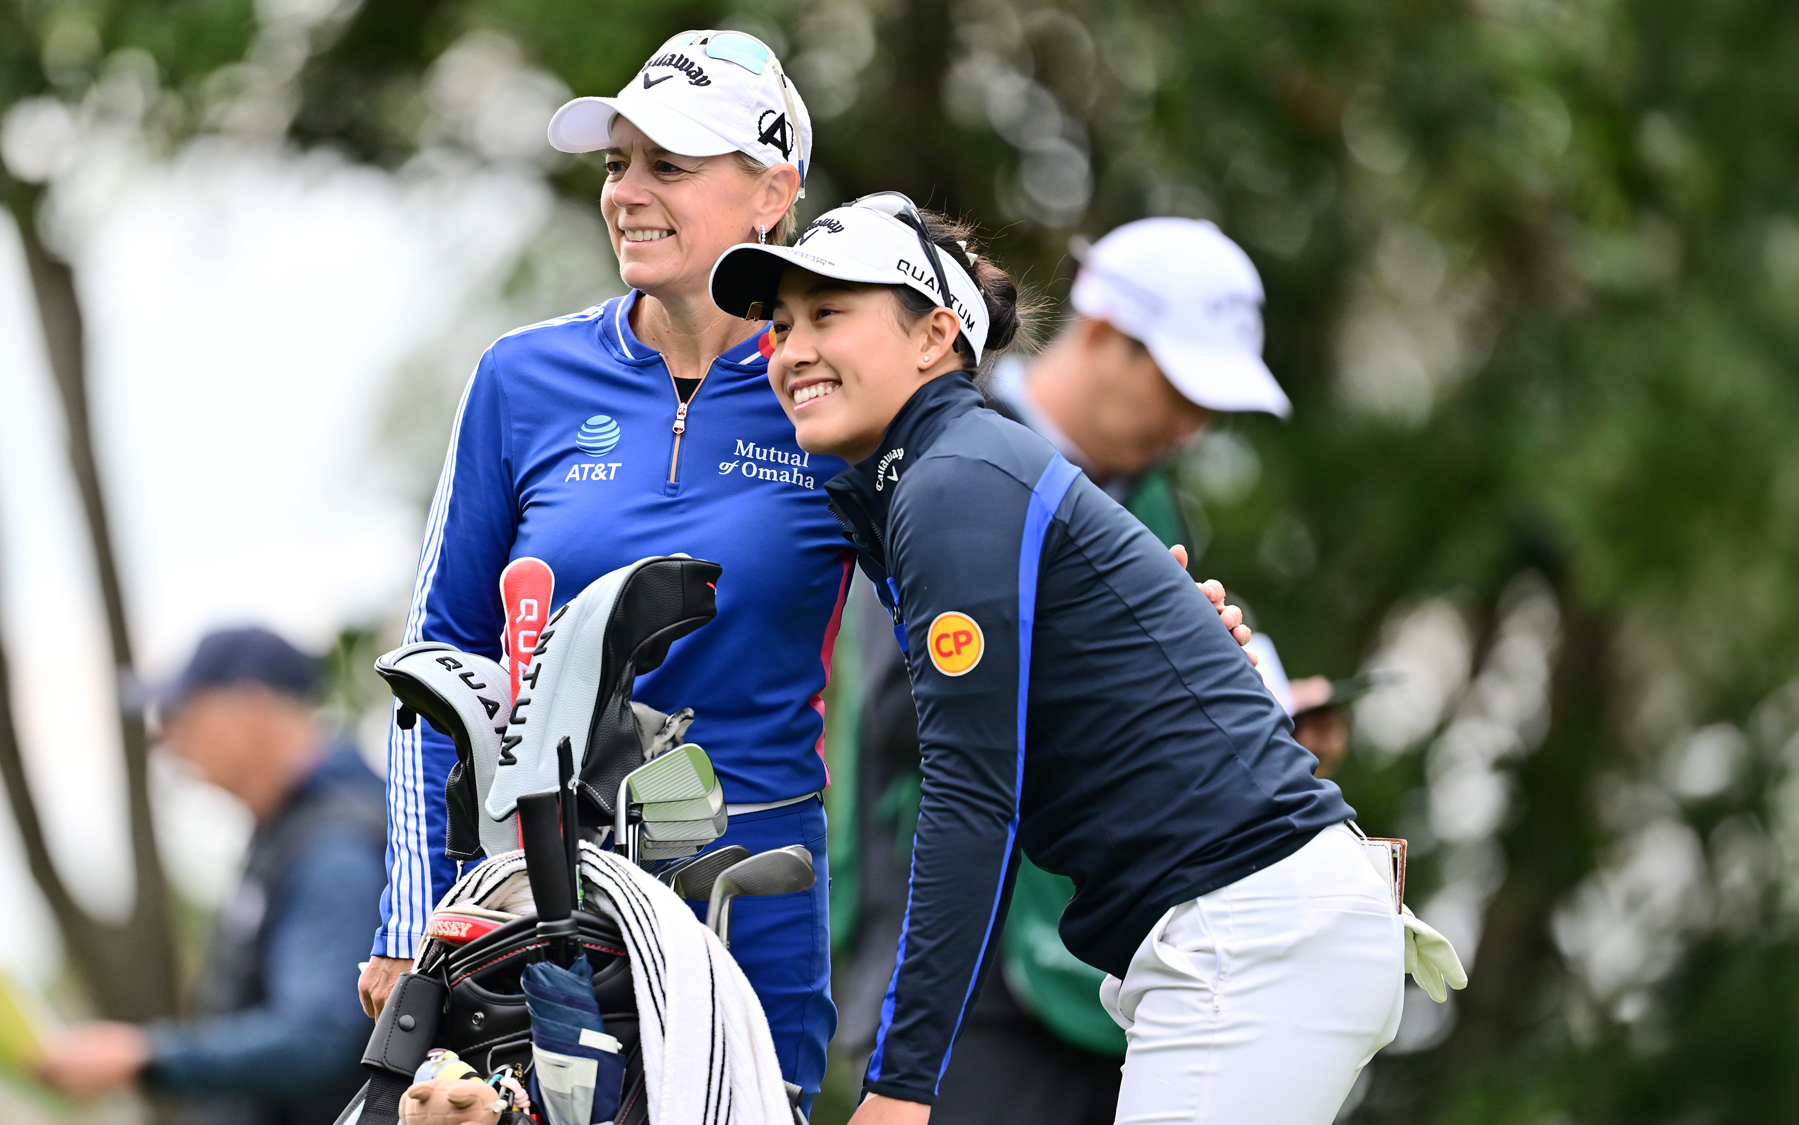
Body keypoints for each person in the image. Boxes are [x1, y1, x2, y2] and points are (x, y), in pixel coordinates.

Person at [361, 30, 1252, 1109]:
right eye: (615, 163)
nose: (627, 194)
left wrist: (1155, 629)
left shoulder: (830, 396)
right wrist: (413, 916)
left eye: (669, 166)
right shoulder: (522, 377)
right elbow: (437, 661)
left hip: (748, 902)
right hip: (536, 897)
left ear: (770, 191)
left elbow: (980, 585)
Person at [709, 196, 1407, 1125]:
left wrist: (902, 1086)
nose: (792, 348)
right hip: (1223, 935)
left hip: (1245, 935)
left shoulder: (952, 479)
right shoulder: (948, 469)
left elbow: (970, 794)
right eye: (785, 322)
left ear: (934, 338)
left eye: (830, 314)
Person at [838, 218, 1320, 1124]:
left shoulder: (1144, 485)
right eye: (1180, 388)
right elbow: (911, 715)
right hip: (967, 976)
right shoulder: (949, 453)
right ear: (1102, 334)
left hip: (1117, 967)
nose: (1193, 424)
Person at [35, 627, 386, 1124]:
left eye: (182, 715)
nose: (166, 742)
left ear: (249, 708)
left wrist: (146, 1056)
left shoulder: (334, 848)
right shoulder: (290, 834)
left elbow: (320, 1036)